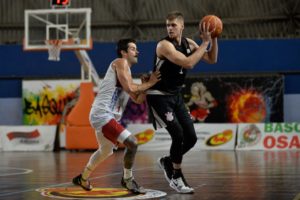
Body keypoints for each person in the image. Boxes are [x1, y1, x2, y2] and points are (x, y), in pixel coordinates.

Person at [72, 38, 161, 194]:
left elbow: (138, 99)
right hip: (102, 114)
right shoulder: (120, 62)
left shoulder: (127, 72)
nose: (137, 51)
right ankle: (127, 180)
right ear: (123, 52)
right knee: (132, 143)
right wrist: (150, 83)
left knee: (105, 151)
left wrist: (145, 88)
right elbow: (130, 87)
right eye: (133, 48)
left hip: (105, 116)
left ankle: (83, 178)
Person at [146, 11, 218, 193]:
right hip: (159, 95)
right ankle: (176, 177)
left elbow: (211, 59)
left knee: (191, 138)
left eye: (173, 25)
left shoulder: (189, 43)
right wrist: (206, 43)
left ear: (182, 26)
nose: (170, 28)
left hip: (175, 95)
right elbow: (188, 63)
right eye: (168, 25)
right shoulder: (164, 45)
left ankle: (168, 161)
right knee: (178, 135)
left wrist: (214, 37)